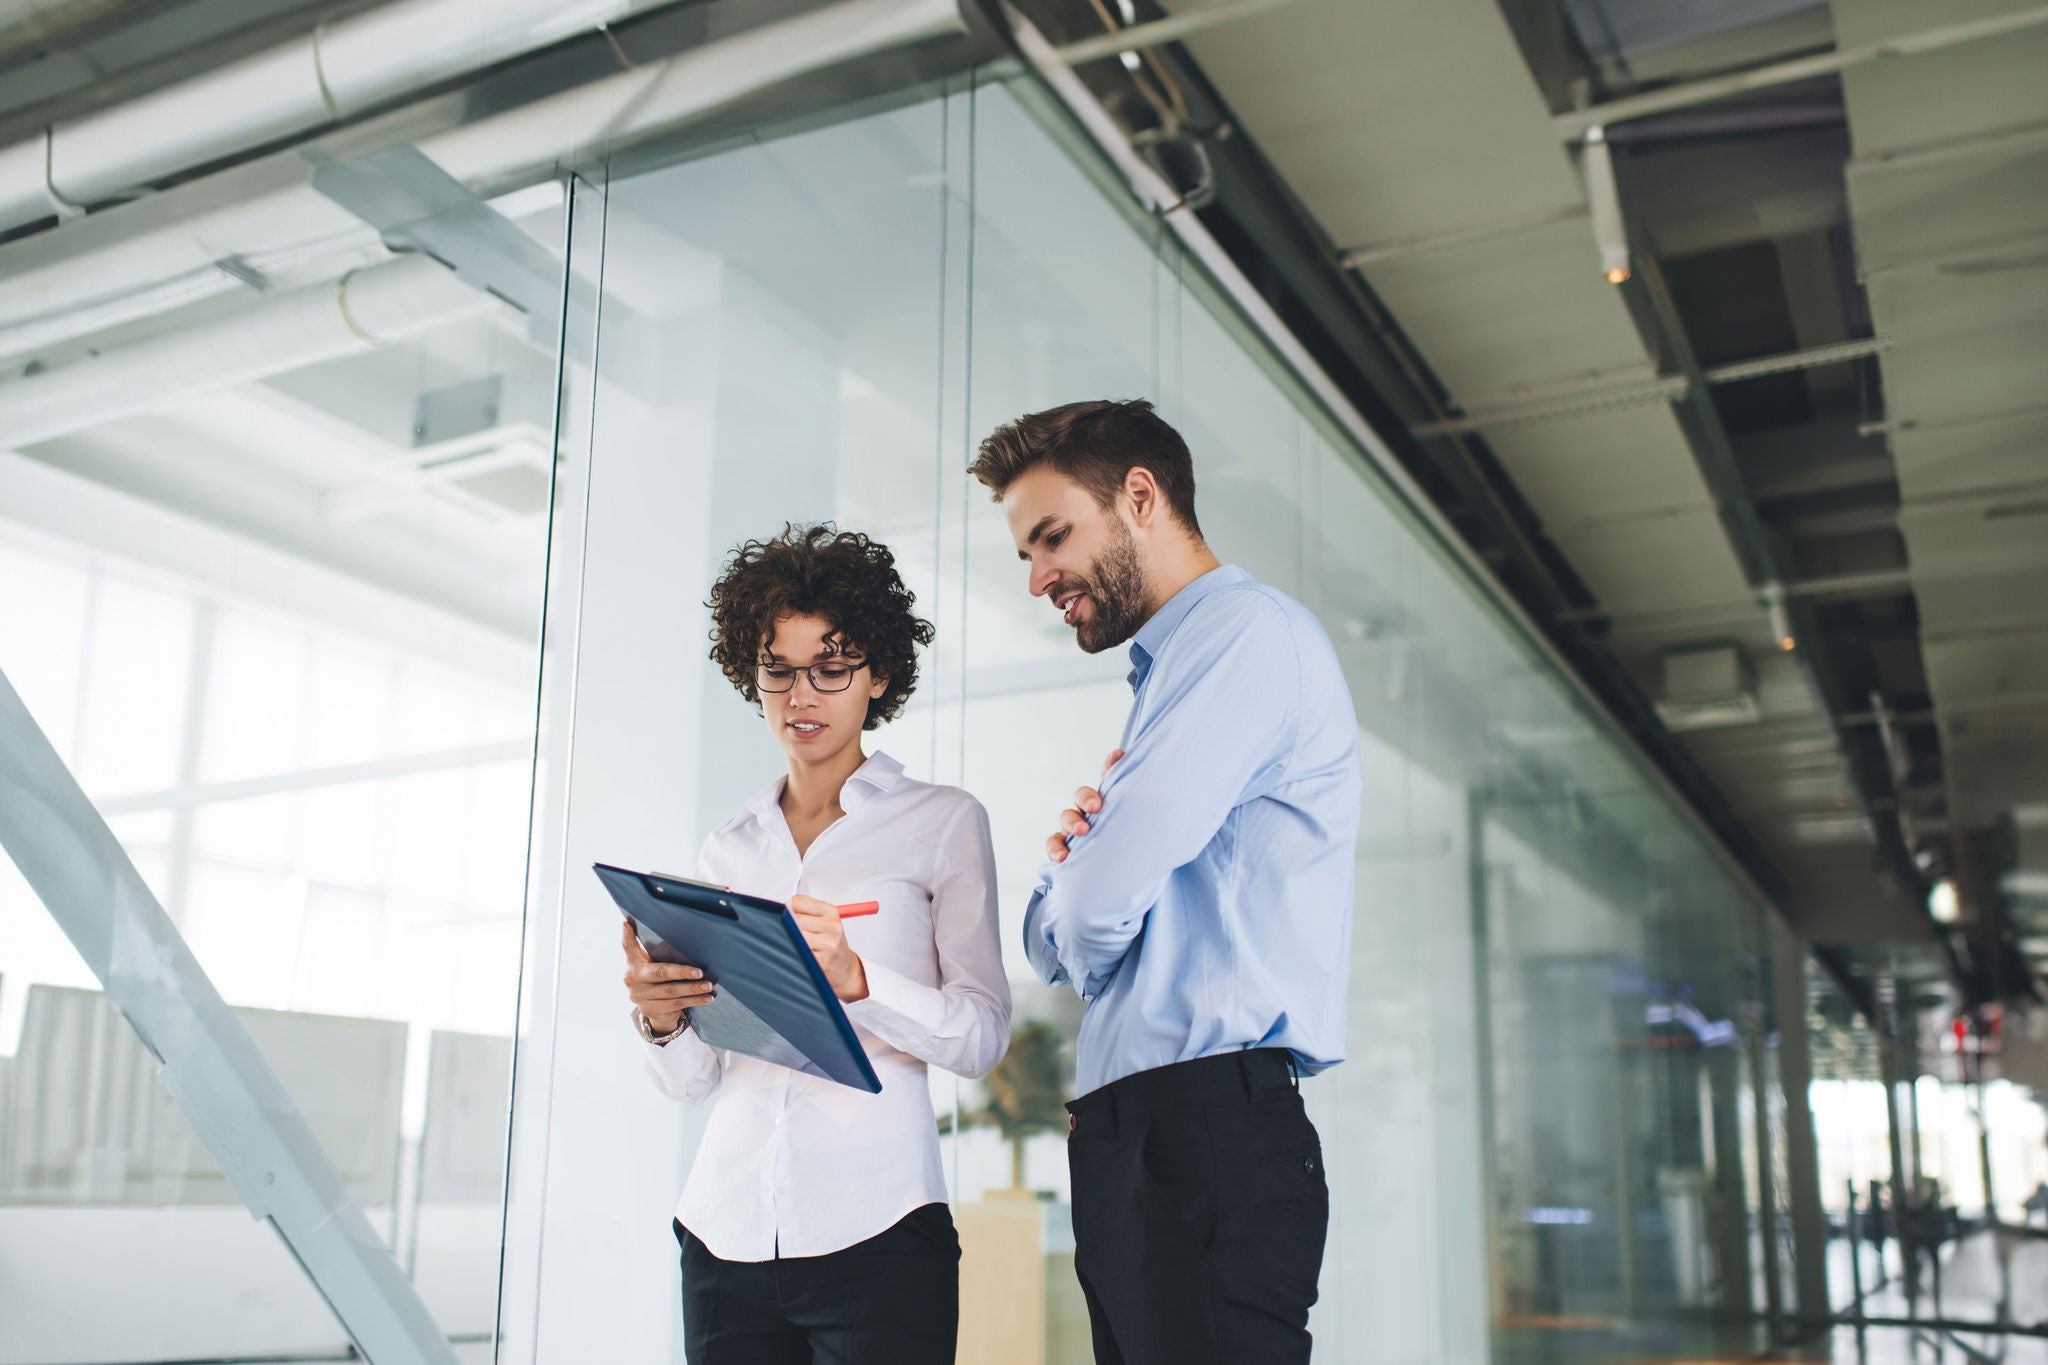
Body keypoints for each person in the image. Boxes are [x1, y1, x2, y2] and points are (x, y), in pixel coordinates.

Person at [968, 399, 1362, 1364]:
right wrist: (1082, 885)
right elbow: (1081, 898)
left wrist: (1077, 901)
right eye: (1024, 553)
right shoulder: (1177, 669)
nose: (1036, 579)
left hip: (1203, 1132)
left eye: (1051, 538)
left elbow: (1088, 910)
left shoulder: (1242, 638)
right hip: (1158, 1133)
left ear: (1141, 496)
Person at [620, 523, 1012, 1365]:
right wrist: (663, 1021)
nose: (803, 695)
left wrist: (861, 979)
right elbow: (695, 1084)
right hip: (722, 1235)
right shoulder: (729, 847)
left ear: (876, 676)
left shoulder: (942, 822)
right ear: (750, 675)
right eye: (779, 669)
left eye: (831, 668)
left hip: (877, 1230)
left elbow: (981, 1036)